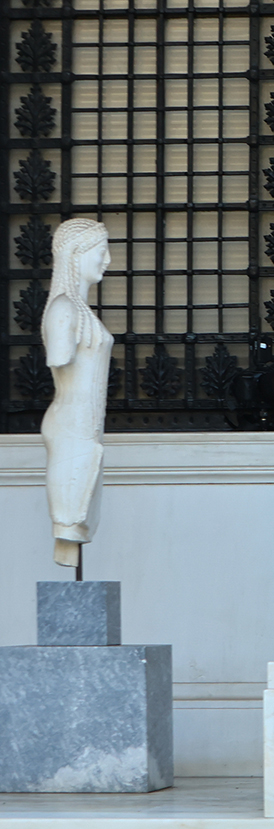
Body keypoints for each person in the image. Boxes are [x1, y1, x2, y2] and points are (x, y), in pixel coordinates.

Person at [41, 219, 114, 568]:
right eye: (101, 251)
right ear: (76, 254)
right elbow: (60, 357)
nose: (107, 260)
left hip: (87, 429)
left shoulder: (80, 311)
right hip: (71, 427)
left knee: (80, 517)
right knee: (70, 519)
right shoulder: (63, 309)